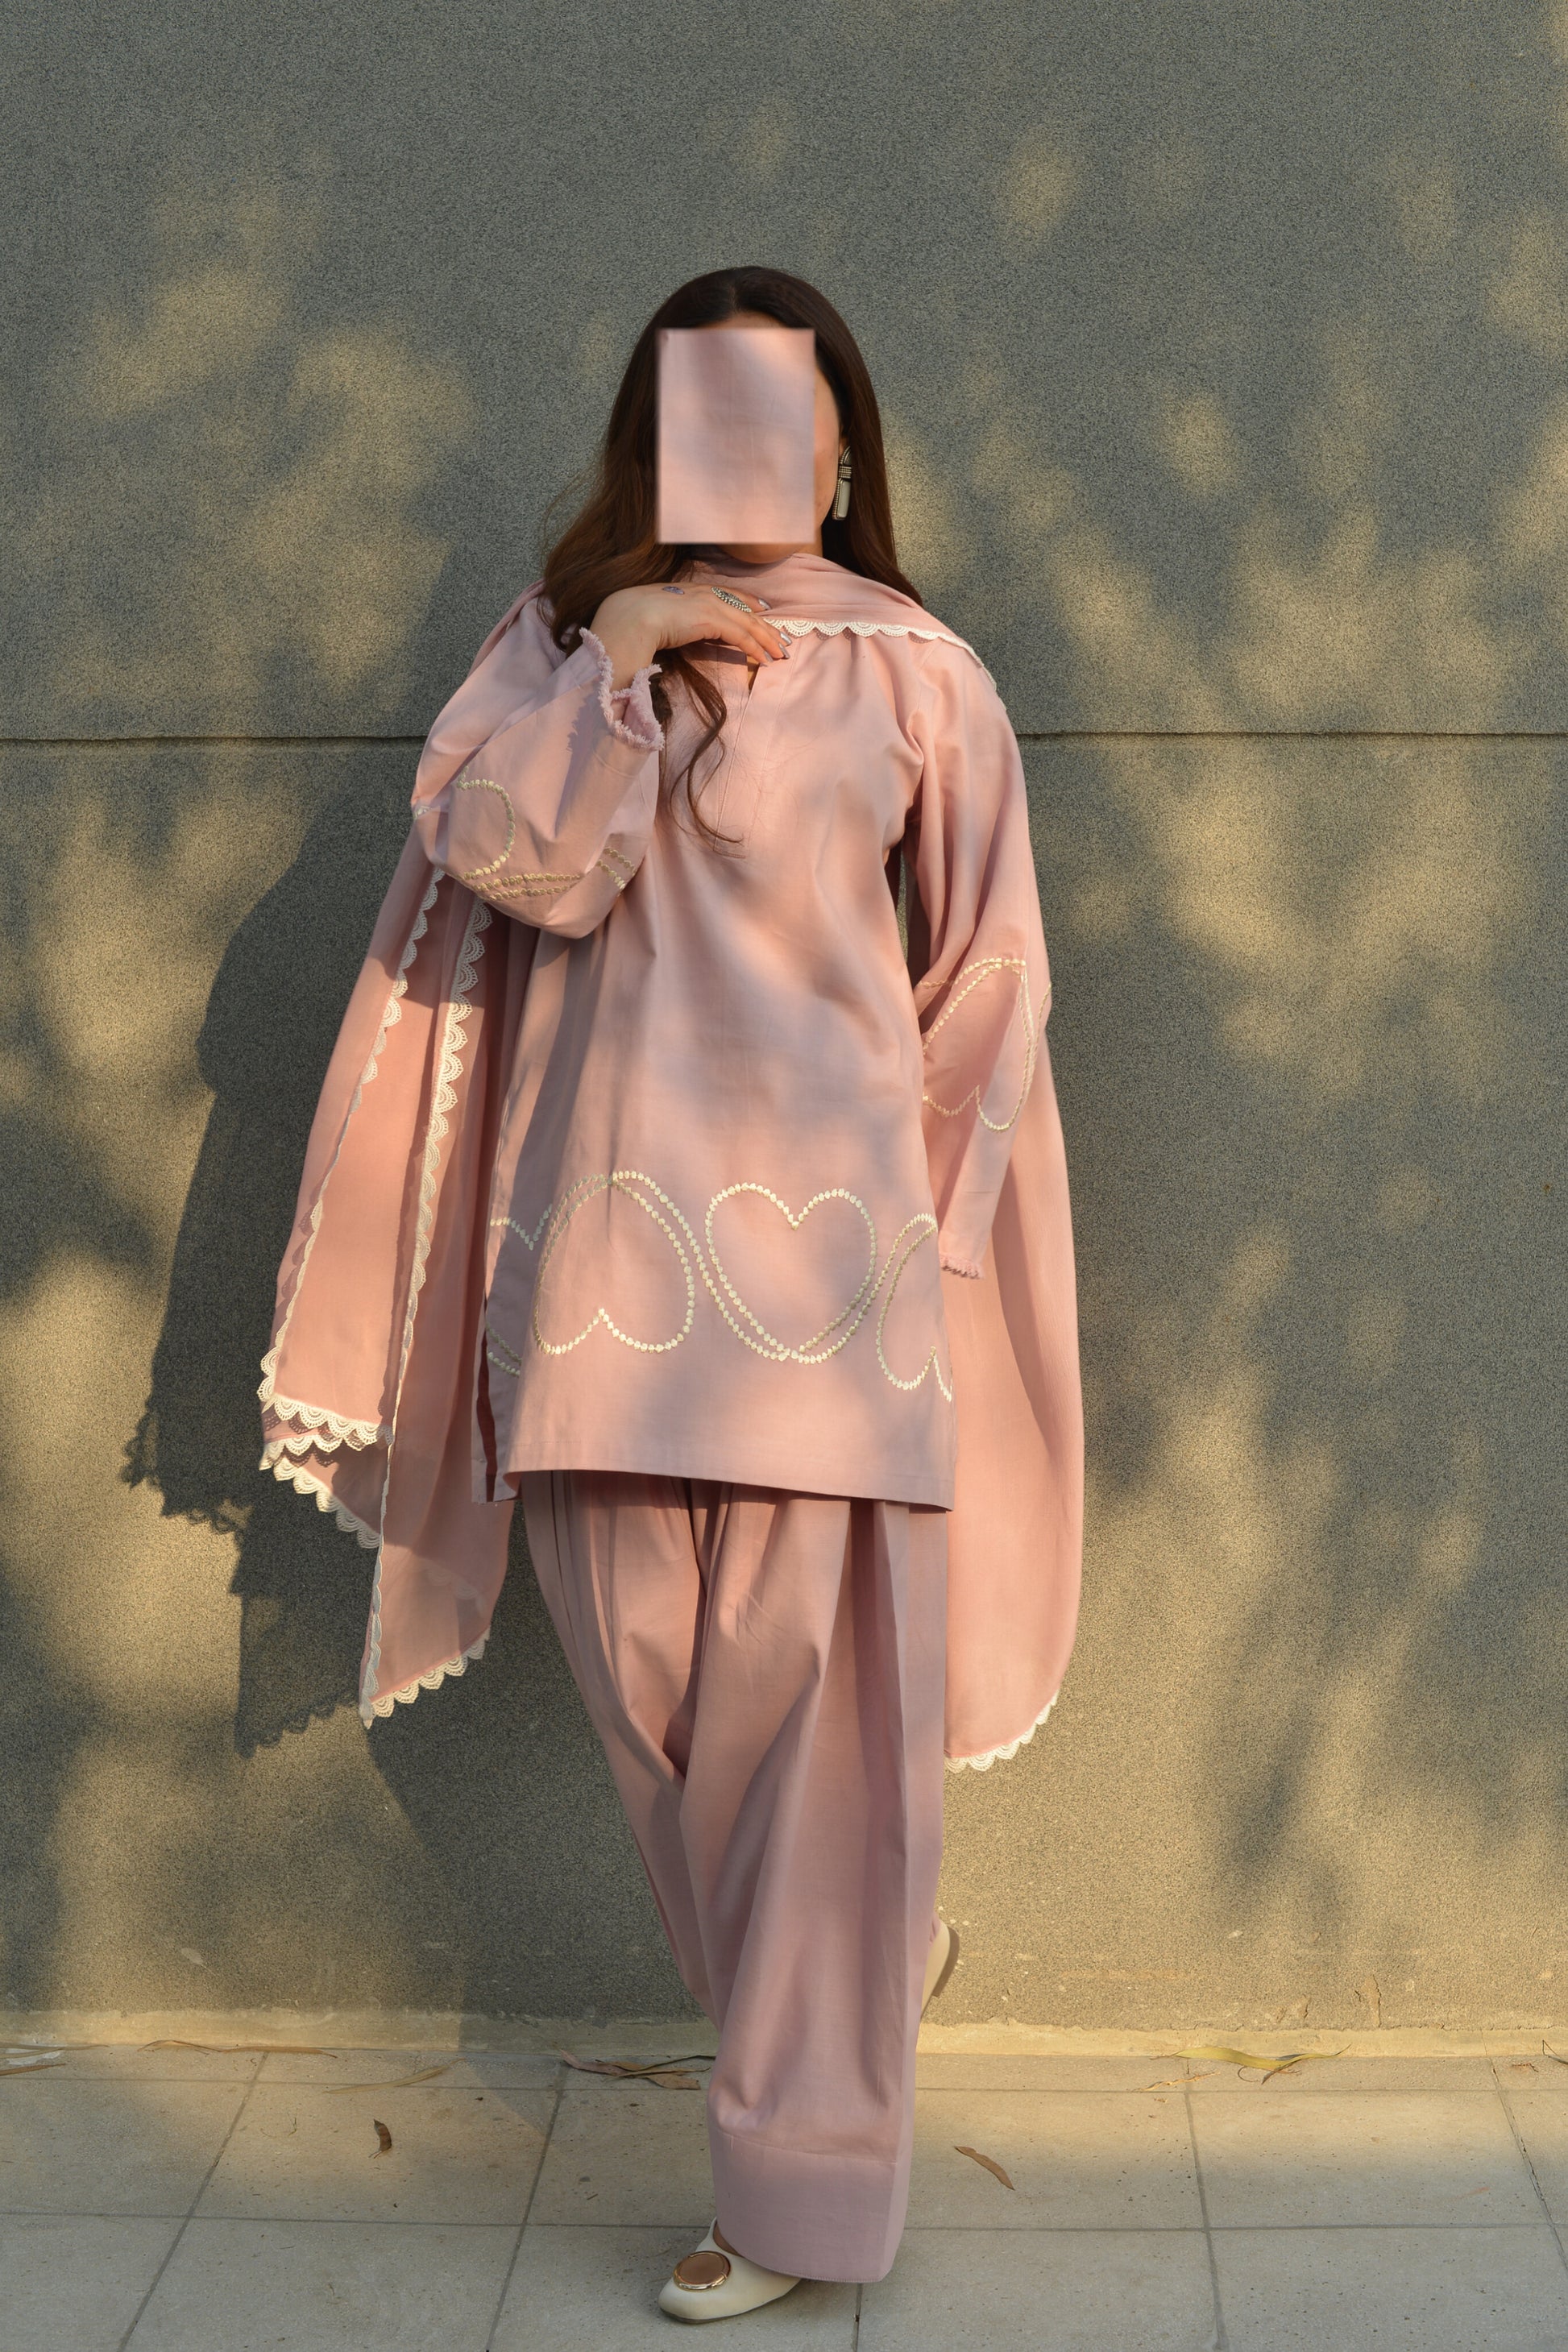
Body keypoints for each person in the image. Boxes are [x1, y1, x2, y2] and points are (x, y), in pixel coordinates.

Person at [258, 264, 1083, 2320]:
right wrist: (614, 664)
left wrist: (930, 1249)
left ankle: (796, 2190)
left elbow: (988, 984)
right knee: (656, 1712)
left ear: (842, 446)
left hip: (831, 1298)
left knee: (810, 1746)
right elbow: (504, 859)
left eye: (789, 418)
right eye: (701, 416)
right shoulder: (555, 651)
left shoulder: (918, 678)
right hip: (606, 1283)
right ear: (652, 441)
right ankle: (862, 1975)